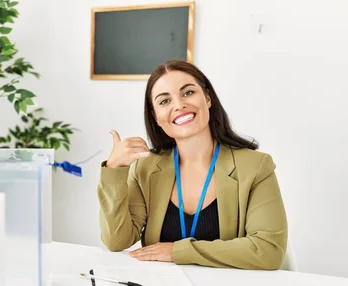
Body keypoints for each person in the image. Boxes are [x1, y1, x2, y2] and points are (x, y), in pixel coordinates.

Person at [98, 60, 287, 270]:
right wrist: (114, 170)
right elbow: (116, 240)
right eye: (164, 101)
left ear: (207, 98)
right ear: (156, 117)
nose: (178, 105)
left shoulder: (256, 167)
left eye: (188, 93)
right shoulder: (146, 168)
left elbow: (268, 251)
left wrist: (176, 251)